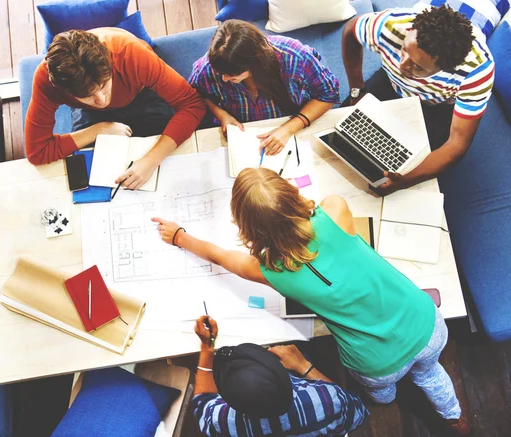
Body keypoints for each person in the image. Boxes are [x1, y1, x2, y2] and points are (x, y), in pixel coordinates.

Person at [152, 168, 471, 435]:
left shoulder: (269, 270)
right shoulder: (334, 210)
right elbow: (321, 212)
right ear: (290, 194)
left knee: (383, 390)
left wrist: (180, 236)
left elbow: (219, 256)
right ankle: (454, 416)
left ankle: (385, 400)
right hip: (426, 323)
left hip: (377, 362)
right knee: (429, 371)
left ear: (247, 227)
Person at [341, 3, 495, 195]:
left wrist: (404, 181)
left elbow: (457, 143)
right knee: (342, 131)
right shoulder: (391, 24)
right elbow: (350, 31)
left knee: (414, 164)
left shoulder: (477, 71)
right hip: (389, 84)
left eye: (418, 67)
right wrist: (357, 89)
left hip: (436, 106)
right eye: (404, 49)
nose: (402, 65)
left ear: (447, 68)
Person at [25, 28, 206, 189]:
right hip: (92, 116)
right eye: (89, 95)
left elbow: (192, 106)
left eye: (104, 86)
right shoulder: (46, 81)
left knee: (173, 161)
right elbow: (37, 152)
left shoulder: (131, 55)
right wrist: (98, 130)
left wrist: (151, 161)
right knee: (92, 178)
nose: (102, 100)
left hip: (140, 93)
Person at [190, 315, 369, 436]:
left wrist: (207, 346)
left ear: (227, 400)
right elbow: (358, 411)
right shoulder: (327, 401)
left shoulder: (225, 423)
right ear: (282, 375)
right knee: (306, 349)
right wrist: (303, 365)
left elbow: (202, 402)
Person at [189, 20, 340, 156]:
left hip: (293, 124)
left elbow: (328, 94)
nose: (224, 79)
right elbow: (195, 96)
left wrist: (288, 129)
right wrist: (222, 115)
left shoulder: (294, 56)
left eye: (231, 75)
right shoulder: (207, 68)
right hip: (241, 136)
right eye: (220, 73)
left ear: (254, 63)